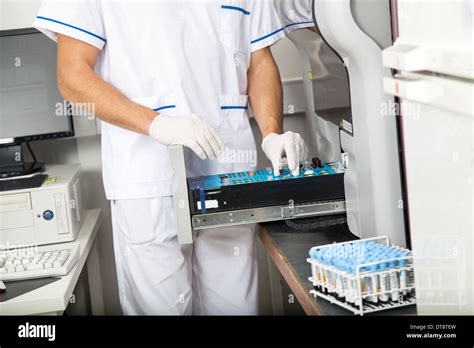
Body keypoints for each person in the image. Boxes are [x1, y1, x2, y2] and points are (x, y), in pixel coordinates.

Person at [34, 0, 308, 315]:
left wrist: (271, 132)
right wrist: (156, 124)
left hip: (228, 175)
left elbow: (259, 61)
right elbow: (72, 75)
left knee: (235, 308)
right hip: (147, 175)